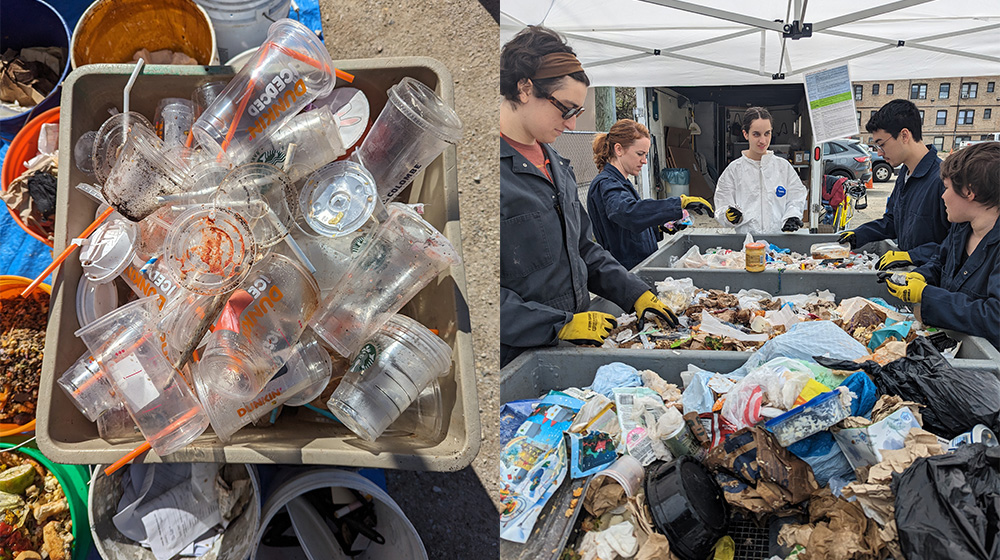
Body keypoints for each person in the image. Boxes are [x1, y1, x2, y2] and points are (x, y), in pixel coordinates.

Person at [500, 26, 678, 367]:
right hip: (519, 360)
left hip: (572, 349)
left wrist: (634, 292)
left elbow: (583, 249)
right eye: (566, 109)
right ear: (524, 88)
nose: (571, 124)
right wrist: (558, 325)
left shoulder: (557, 166)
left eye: (577, 113)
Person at [885, 142, 999, 349]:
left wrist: (927, 296)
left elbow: (995, 318)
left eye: (947, 188)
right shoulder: (962, 228)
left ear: (969, 191)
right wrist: (921, 275)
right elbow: (940, 262)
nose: (942, 196)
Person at [586, 118, 713, 269]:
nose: (644, 161)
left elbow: (629, 228)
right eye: (640, 154)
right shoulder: (606, 184)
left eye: (645, 155)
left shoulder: (621, 183)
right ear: (618, 149)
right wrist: (678, 203)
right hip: (625, 275)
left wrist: (659, 227)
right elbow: (628, 213)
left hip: (638, 269)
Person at [838, 99, 950, 270]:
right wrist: (859, 234)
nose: (879, 153)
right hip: (906, 276)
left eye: (881, 144)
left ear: (905, 135)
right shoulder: (905, 173)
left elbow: (957, 244)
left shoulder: (943, 180)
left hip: (930, 281)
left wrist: (912, 256)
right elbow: (892, 222)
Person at [713, 107, 807, 234]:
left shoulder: (783, 168)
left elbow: (796, 197)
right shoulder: (734, 170)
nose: (763, 140)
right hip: (747, 244)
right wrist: (729, 216)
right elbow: (722, 205)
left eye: (767, 133)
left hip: (778, 246)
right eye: (756, 134)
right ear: (745, 134)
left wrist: (792, 216)